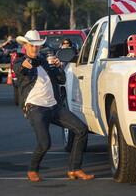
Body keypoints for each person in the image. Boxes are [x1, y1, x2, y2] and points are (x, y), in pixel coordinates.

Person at [13, 30, 94, 182]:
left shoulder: (45, 61)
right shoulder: (20, 62)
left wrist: (57, 67)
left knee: (82, 130)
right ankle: (32, 169)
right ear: (25, 46)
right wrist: (24, 66)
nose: (34, 49)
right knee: (45, 144)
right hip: (35, 108)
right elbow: (17, 69)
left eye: (37, 46)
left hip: (54, 107)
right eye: (31, 46)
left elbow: (62, 80)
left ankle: (75, 168)